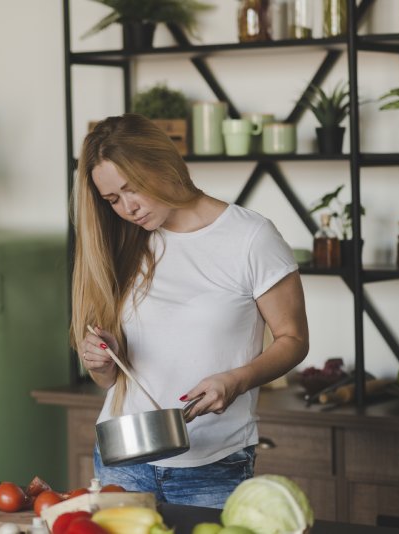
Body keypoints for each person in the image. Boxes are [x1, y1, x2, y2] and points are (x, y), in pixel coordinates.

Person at [70, 114, 309, 508]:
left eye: (133, 189)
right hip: (123, 462)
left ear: (163, 164)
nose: (127, 208)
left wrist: (235, 381)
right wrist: (100, 360)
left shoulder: (250, 237)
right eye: (112, 200)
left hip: (213, 464)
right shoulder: (125, 243)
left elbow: (294, 339)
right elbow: (107, 382)